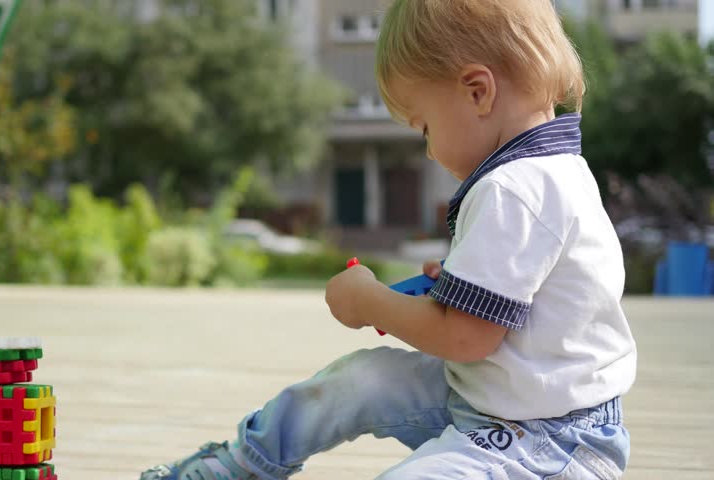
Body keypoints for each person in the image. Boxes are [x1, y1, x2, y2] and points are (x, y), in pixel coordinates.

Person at [140, 0, 636, 478]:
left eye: (424, 127)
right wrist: (459, 285)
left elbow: (464, 337)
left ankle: (244, 463)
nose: (428, 151)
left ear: (478, 92)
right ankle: (248, 463)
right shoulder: (554, 172)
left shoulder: (514, 188)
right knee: (362, 379)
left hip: (546, 443)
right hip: (501, 399)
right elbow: (527, 303)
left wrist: (370, 302)